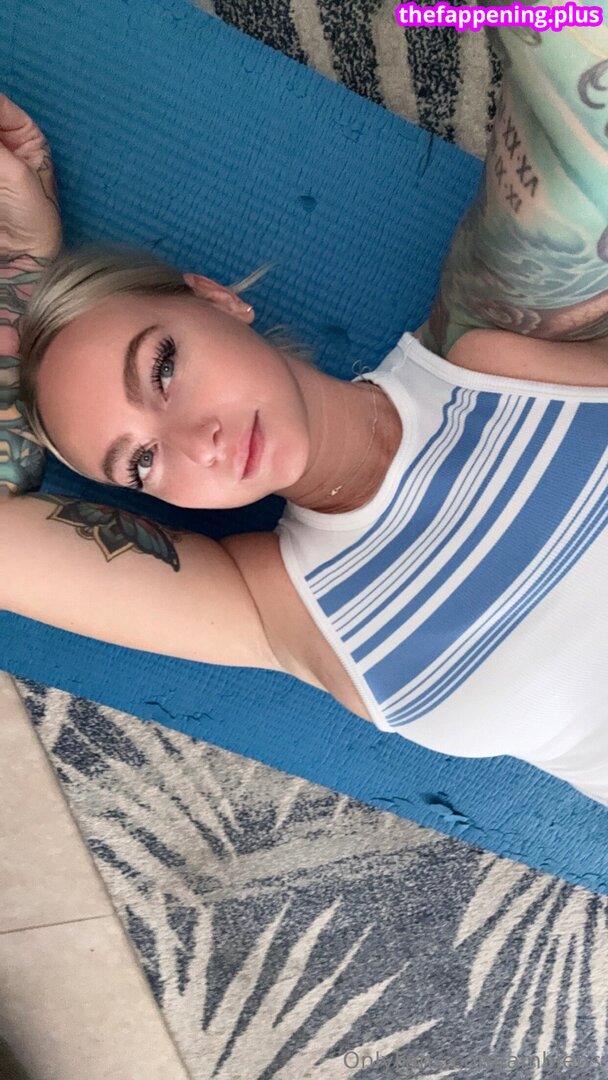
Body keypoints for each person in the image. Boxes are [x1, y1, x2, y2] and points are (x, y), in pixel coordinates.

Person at [0, 19, 606, 804]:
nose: (197, 442)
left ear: (217, 300)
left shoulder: (500, 369)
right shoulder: (280, 606)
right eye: (142, 461)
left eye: (163, 368)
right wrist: (19, 273)